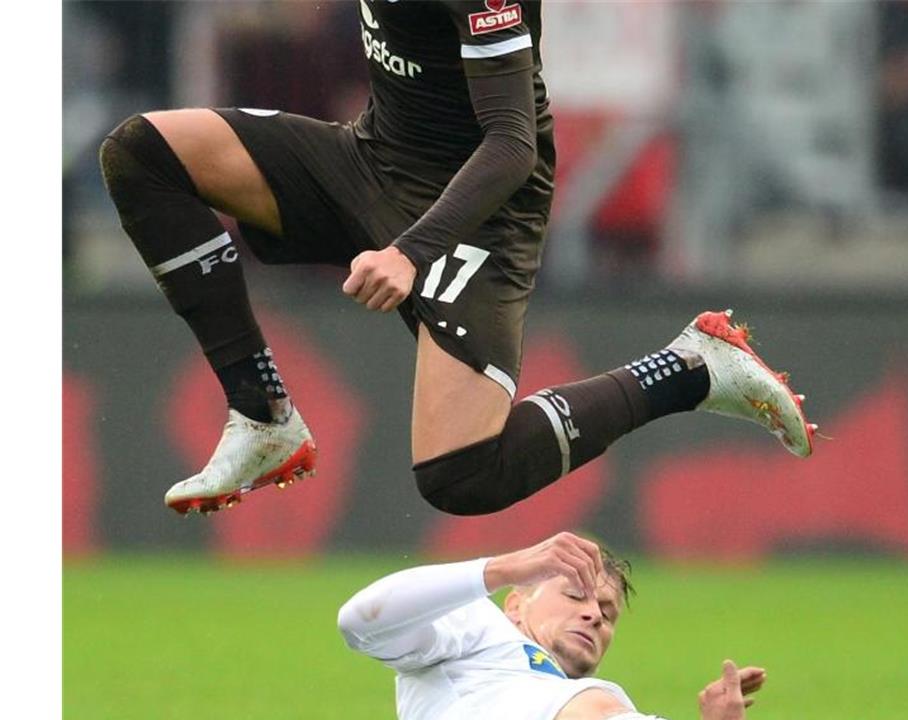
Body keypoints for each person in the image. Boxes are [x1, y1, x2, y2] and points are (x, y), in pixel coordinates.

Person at [98, 0, 815, 516]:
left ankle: (689, 369)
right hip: (370, 158)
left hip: (482, 211)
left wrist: (410, 254)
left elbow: (511, 144)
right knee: (142, 154)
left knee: (461, 477)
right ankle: (262, 417)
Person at [336, 531, 871, 720]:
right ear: (516, 605)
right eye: (575, 595)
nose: (594, 614)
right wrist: (504, 569)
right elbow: (359, 620)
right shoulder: (478, 628)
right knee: (600, 708)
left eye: (608, 613)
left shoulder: (563, 696)